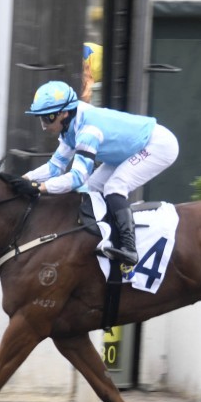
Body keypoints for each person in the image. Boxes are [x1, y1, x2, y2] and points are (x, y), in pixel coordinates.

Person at [22, 80, 179, 267]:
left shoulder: (88, 131)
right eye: (40, 118)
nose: (43, 125)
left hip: (157, 145)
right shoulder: (69, 124)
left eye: (47, 118)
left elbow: (77, 177)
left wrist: (40, 188)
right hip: (127, 150)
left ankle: (129, 249)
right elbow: (55, 167)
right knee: (92, 189)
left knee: (115, 186)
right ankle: (106, 237)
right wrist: (25, 179)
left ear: (63, 113)